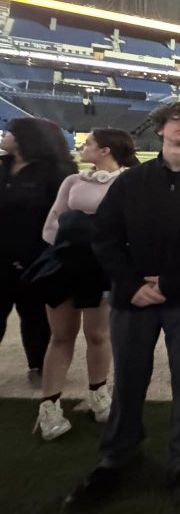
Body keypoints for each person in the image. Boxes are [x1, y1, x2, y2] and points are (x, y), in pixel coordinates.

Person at [62, 102, 180, 510]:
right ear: (159, 130)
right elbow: (104, 237)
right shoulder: (132, 181)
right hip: (132, 297)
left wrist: (170, 283)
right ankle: (119, 455)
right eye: (175, 119)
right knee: (129, 378)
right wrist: (132, 283)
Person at [35, 130, 139, 441]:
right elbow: (54, 220)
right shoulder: (73, 181)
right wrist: (70, 246)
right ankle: (49, 405)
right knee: (61, 335)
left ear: (105, 150)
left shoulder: (129, 182)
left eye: (89, 144)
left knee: (98, 334)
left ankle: (98, 393)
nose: (83, 147)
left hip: (103, 266)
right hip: (66, 264)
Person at [0, 117, 77, 389]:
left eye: (9, 133)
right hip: (1, 257)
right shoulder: (3, 167)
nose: (4, 137)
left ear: (24, 139)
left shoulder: (56, 173)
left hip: (35, 258)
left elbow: (63, 218)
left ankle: (39, 366)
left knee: (34, 317)